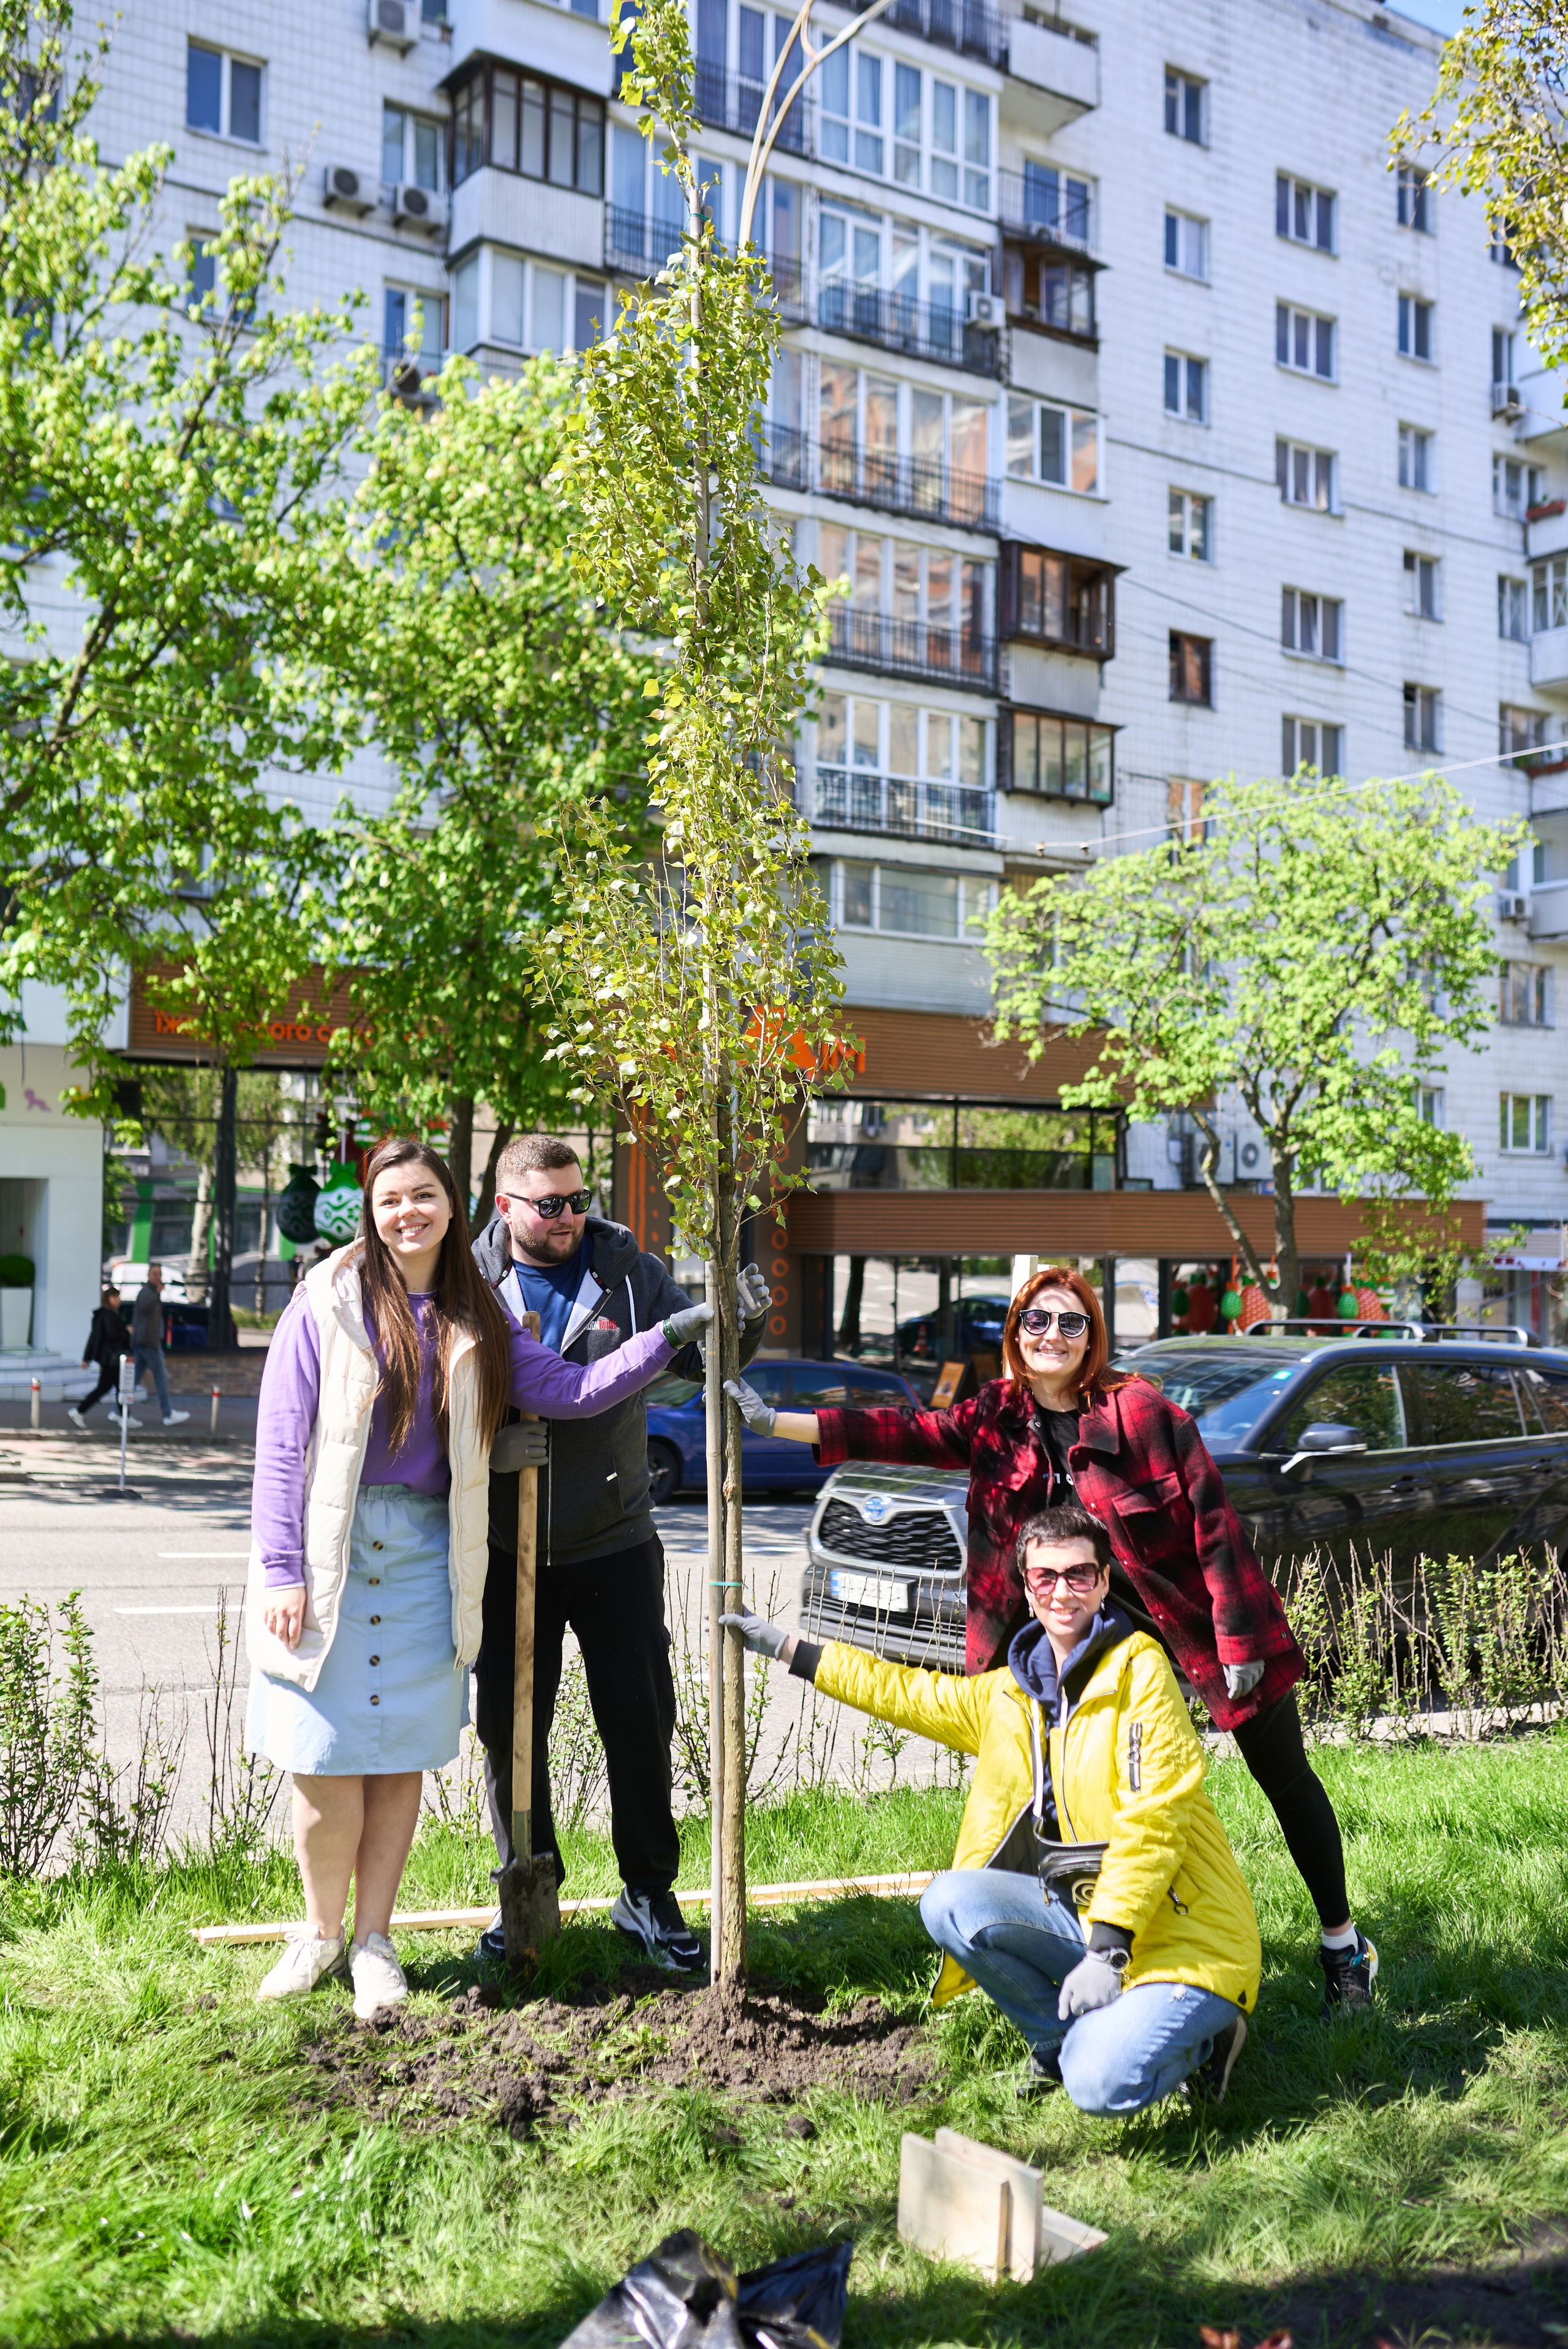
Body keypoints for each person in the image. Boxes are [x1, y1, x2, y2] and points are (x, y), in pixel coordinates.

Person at [725, 1263, 1378, 2019]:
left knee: (1286, 1779)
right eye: (1037, 1321)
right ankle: (1107, 1957)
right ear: (1014, 1334)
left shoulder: (1142, 1413)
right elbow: (900, 1432)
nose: (1052, 1336)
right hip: (1088, 1651)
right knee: (1089, 1806)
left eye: (1071, 1322)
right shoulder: (994, 1419)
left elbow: (1216, 1526)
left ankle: (1342, 1948)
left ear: (1092, 1336)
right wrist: (773, 1420)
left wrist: (1238, 1644)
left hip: (1199, 1635)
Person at [245, 1136, 714, 2019]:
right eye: (391, 1198)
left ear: (452, 1204)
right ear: (372, 1209)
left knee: (400, 1748)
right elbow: (281, 1441)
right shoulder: (329, 1298)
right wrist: (279, 1566)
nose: (407, 1212)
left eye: (423, 1194)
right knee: (323, 1749)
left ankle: (376, 1940)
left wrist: (669, 1336)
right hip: (333, 1548)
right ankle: (318, 1931)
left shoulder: (474, 1311)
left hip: (433, 1548)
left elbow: (574, 1390)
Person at [724, 1501, 1258, 2111]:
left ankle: (1209, 2041)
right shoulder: (1013, 1691)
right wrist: (787, 1648)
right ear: (1027, 1590)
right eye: (1045, 1577)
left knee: (1101, 2085)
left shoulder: (1140, 1674)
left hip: (1182, 1937)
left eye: (1079, 1574)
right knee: (951, 1901)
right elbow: (905, 1691)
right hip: (1086, 1917)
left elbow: (1153, 1820)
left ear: (1104, 1581)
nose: (1063, 1592)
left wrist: (1109, 1949)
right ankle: (1058, 2042)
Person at [469, 1133, 771, 1974]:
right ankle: (527, 1887)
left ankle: (647, 1891)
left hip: (615, 1537)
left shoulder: (631, 1272)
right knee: (507, 1728)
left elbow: (705, 1361)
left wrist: (745, 1319)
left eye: (576, 1199)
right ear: (507, 1206)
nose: (569, 1216)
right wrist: (488, 1444)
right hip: (506, 1543)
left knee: (640, 1723)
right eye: (549, 1204)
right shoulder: (469, 1279)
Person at [129, 1264, 190, 1428]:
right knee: (161, 1377)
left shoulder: (151, 1293)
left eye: (160, 1274)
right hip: (148, 1343)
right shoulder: (146, 1293)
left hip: (146, 1342)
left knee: (134, 1379)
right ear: (148, 1275)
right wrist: (157, 1293)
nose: (158, 1277)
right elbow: (144, 1308)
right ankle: (168, 1413)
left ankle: (118, 1410)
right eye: (155, 1274)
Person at [68, 1286, 131, 1430]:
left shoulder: (104, 1315)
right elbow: (111, 1335)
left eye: (118, 1297)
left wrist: (87, 1358)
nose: (118, 1300)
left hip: (109, 1359)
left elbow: (94, 1338)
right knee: (108, 1388)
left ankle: (124, 1416)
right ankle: (79, 1411)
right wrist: (126, 1332)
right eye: (114, 1297)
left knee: (115, 1387)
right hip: (111, 1359)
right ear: (107, 1299)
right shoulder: (108, 1316)